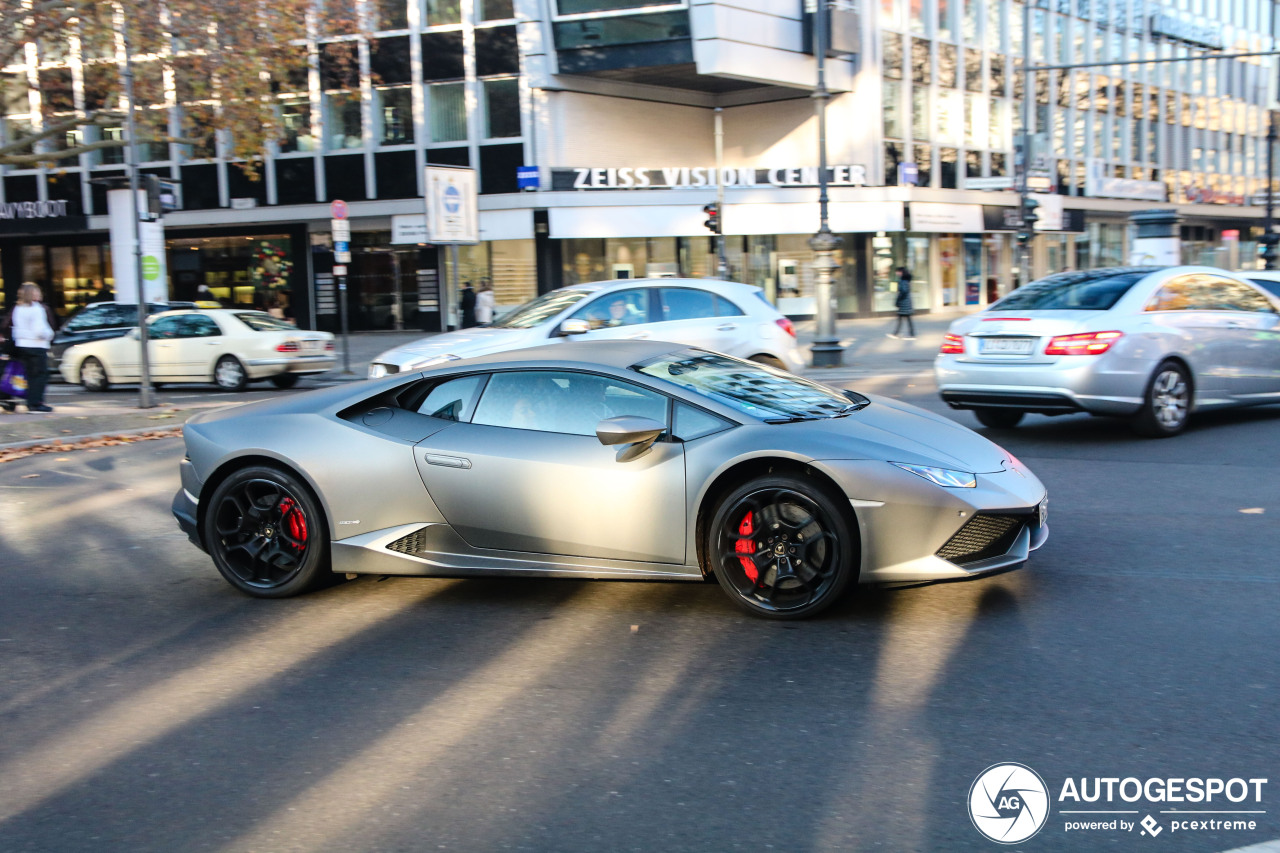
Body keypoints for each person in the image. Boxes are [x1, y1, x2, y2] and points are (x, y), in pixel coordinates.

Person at [3, 283, 57, 413]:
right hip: (36, 344)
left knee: (29, 375)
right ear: (33, 294)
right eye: (37, 292)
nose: (39, 294)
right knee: (40, 375)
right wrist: (49, 335)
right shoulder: (37, 308)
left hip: (22, 345)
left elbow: (13, 326)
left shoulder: (18, 308)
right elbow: (40, 330)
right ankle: (36, 403)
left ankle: (31, 402)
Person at [888, 266, 916, 340]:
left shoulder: (903, 281)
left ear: (901, 272)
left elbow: (903, 291)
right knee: (904, 318)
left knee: (904, 318)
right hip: (906, 302)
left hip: (904, 303)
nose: (896, 273)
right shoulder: (906, 280)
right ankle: (898, 333)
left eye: (897, 271)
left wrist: (898, 300)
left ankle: (910, 334)